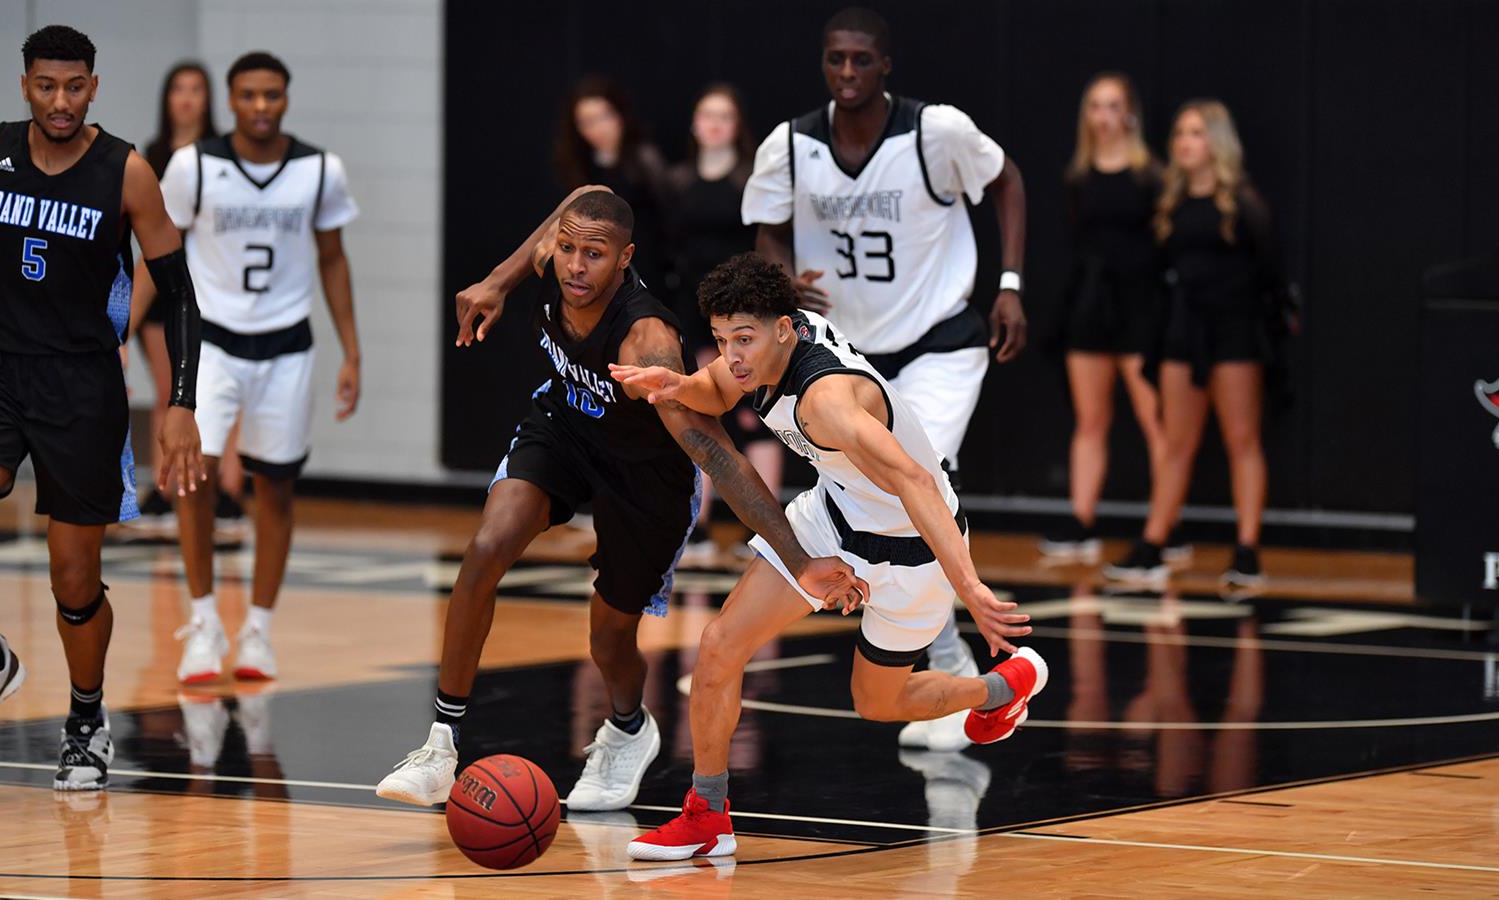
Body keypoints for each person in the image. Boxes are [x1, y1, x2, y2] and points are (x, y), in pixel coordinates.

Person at [375, 189, 866, 811]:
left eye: (596, 255)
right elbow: (571, 209)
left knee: (608, 640)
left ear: (626, 258)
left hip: (647, 475)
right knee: (486, 548)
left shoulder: (645, 339)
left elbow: (716, 453)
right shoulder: (560, 260)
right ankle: (441, 745)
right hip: (565, 429)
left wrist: (799, 562)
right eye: (568, 249)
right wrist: (497, 282)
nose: (577, 267)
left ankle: (630, 728)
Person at [613, 252, 1044, 861]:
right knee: (718, 646)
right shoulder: (757, 356)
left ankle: (1001, 689)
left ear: (785, 329)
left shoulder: (827, 402)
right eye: (719, 338)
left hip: (912, 550)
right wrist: (678, 385)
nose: (732, 354)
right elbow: (715, 387)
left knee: (878, 703)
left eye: (743, 338)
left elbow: (917, 482)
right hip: (832, 517)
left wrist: (971, 590)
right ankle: (707, 814)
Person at [742, 6, 1029, 752]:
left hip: (938, 341)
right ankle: (944, 661)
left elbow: (1008, 181)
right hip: (850, 358)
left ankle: (951, 656)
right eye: (835, 59)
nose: (846, 73)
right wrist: (780, 275)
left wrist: (1010, 282)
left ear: (885, 65)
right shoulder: (793, 145)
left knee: (926, 480)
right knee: (868, 493)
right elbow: (766, 227)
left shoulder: (936, 132)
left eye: (860, 60)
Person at [0, 24, 205, 790]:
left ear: (94, 88)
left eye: (75, 87)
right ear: (25, 86)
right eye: (47, 86)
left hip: (80, 385)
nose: (62, 101)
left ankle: (85, 717)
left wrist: (179, 402)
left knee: (73, 579)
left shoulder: (126, 172)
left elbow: (177, 295)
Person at [146, 51, 362, 685]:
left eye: (272, 95)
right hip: (209, 342)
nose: (261, 107)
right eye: (248, 95)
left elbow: (333, 259)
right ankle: (204, 621)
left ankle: (259, 632)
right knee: (194, 476)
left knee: (276, 487)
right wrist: (118, 326)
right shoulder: (194, 166)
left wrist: (352, 348)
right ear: (231, 100)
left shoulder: (320, 168)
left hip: (287, 345)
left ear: (286, 99)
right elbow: (157, 257)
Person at [1103, 100, 1288, 588]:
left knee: (1241, 441)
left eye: (1196, 133)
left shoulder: (1244, 205)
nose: (1184, 142)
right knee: (1175, 444)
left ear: (1218, 143)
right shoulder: (1172, 203)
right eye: (1180, 133)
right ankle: (1154, 544)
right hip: (1183, 331)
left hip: (1234, 332)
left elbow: (1270, 272)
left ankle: (1247, 550)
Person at [1040, 73, 1189, 565]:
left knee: (1155, 419)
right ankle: (1082, 521)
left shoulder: (1152, 175)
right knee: (1090, 421)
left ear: (1129, 113)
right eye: (1095, 106)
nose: (1103, 116)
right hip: (1091, 307)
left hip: (1140, 308)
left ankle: (1166, 527)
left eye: (1112, 106)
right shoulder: (1077, 177)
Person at [664, 84, 783, 561]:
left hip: (744, 309)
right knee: (704, 410)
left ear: (736, 125)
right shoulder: (677, 179)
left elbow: (771, 238)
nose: (713, 124)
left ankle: (769, 531)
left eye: (724, 116)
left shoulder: (748, 179)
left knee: (753, 416)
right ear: (694, 124)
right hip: (695, 310)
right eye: (705, 115)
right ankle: (701, 527)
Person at [128, 62, 247, 535]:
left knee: (221, 396)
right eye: (178, 88)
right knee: (169, 392)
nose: (187, 98)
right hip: (162, 290)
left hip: (213, 292)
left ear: (208, 98)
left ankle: (226, 489)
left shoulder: (221, 155)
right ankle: (165, 489)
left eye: (196, 89)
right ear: (167, 97)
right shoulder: (151, 157)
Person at [555, 76, 670, 291]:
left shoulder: (644, 160)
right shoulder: (578, 165)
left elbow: (668, 219)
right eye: (587, 122)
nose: (598, 128)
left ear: (620, 115)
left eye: (604, 117)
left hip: (645, 265)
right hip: (594, 269)